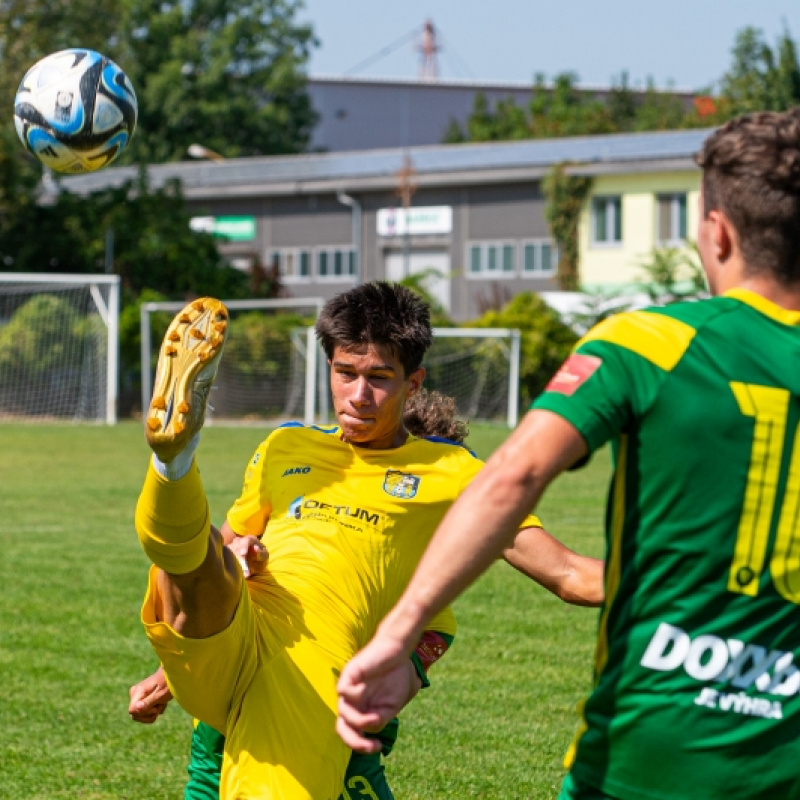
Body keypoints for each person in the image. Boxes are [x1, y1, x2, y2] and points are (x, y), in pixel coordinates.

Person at [337, 109, 800, 800]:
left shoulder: (647, 342)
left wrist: (397, 633)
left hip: (648, 751)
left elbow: (513, 475)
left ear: (719, 231)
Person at [133, 282, 602, 799]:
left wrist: (690, 579)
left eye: (379, 378)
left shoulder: (454, 473)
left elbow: (569, 575)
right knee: (185, 560)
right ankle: (174, 460)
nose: (358, 396)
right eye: (345, 373)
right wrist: (176, 658)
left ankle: (173, 467)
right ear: (328, 368)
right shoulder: (285, 446)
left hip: (313, 671)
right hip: (235, 635)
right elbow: (221, 554)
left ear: (413, 382)